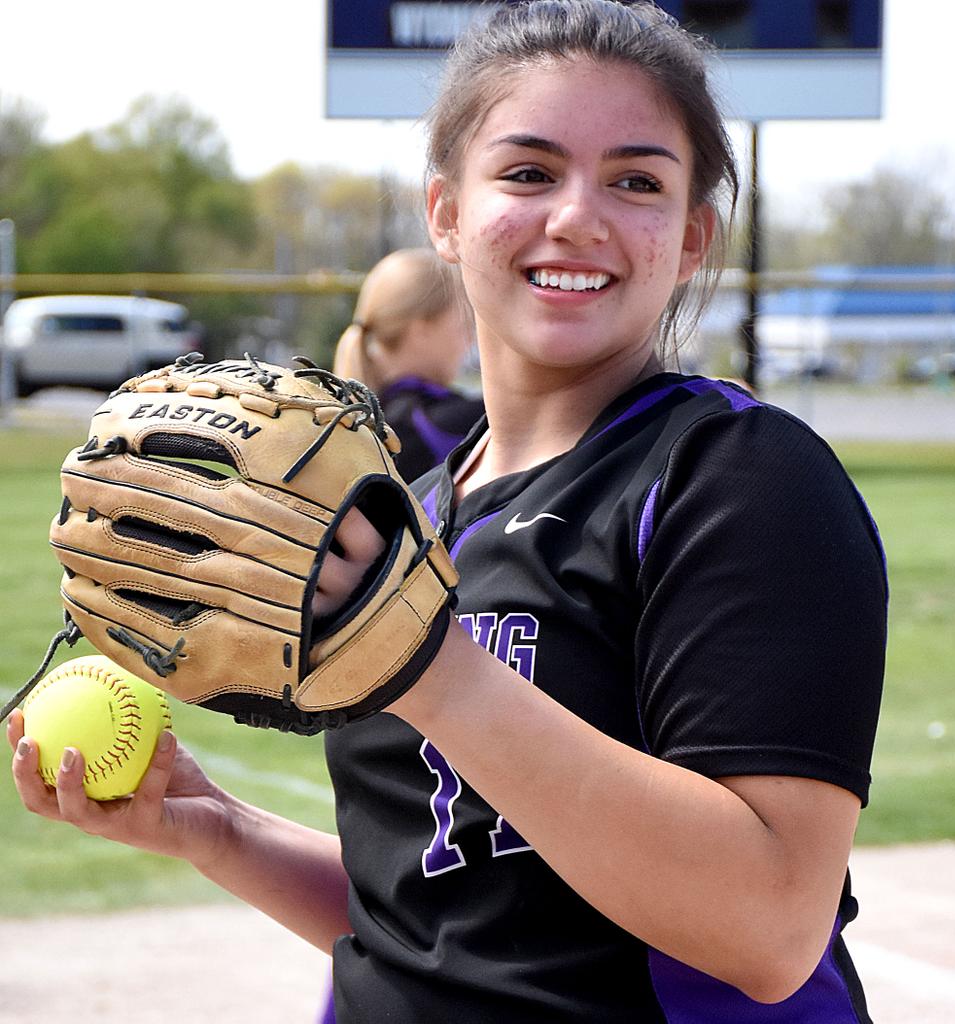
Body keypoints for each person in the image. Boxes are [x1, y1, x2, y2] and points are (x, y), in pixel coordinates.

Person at [8, 2, 887, 1021]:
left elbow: (769, 928)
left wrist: (425, 666)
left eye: (636, 181)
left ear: (691, 236)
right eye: (527, 172)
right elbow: (445, 922)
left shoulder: (734, 478)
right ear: (446, 214)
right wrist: (214, 828)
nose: (577, 216)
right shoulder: (409, 517)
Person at [333, 246, 484, 482]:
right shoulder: (446, 423)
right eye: (464, 325)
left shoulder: (341, 422)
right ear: (421, 329)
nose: (471, 339)